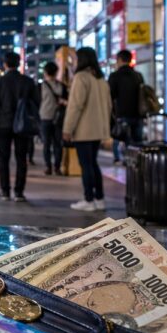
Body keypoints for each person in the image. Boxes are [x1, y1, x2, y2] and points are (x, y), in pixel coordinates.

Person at [63, 47, 112, 211]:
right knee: (93, 163)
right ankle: (99, 198)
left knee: (86, 165)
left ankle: (88, 199)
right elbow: (109, 106)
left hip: (84, 129)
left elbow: (75, 106)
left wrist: (68, 128)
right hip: (98, 129)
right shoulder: (100, 79)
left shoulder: (81, 77)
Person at [0, 52, 38, 202]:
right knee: (22, 158)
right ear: (19, 63)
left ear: (5, 64)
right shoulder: (28, 81)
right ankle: (19, 192)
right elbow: (36, 102)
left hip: (4, 123)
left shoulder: (0, 81)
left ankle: (5, 191)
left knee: (4, 158)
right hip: (23, 124)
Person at [108, 49, 146, 163]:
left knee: (119, 137)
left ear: (119, 60)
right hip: (138, 114)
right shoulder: (138, 75)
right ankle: (137, 160)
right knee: (137, 140)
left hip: (122, 113)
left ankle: (119, 158)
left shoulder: (115, 76)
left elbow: (110, 95)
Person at [39, 61, 67, 175]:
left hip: (45, 117)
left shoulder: (40, 86)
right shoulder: (62, 86)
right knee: (57, 143)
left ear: (45, 72)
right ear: (56, 72)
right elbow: (67, 101)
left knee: (46, 143)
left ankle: (48, 167)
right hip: (58, 118)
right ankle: (57, 167)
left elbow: (37, 102)